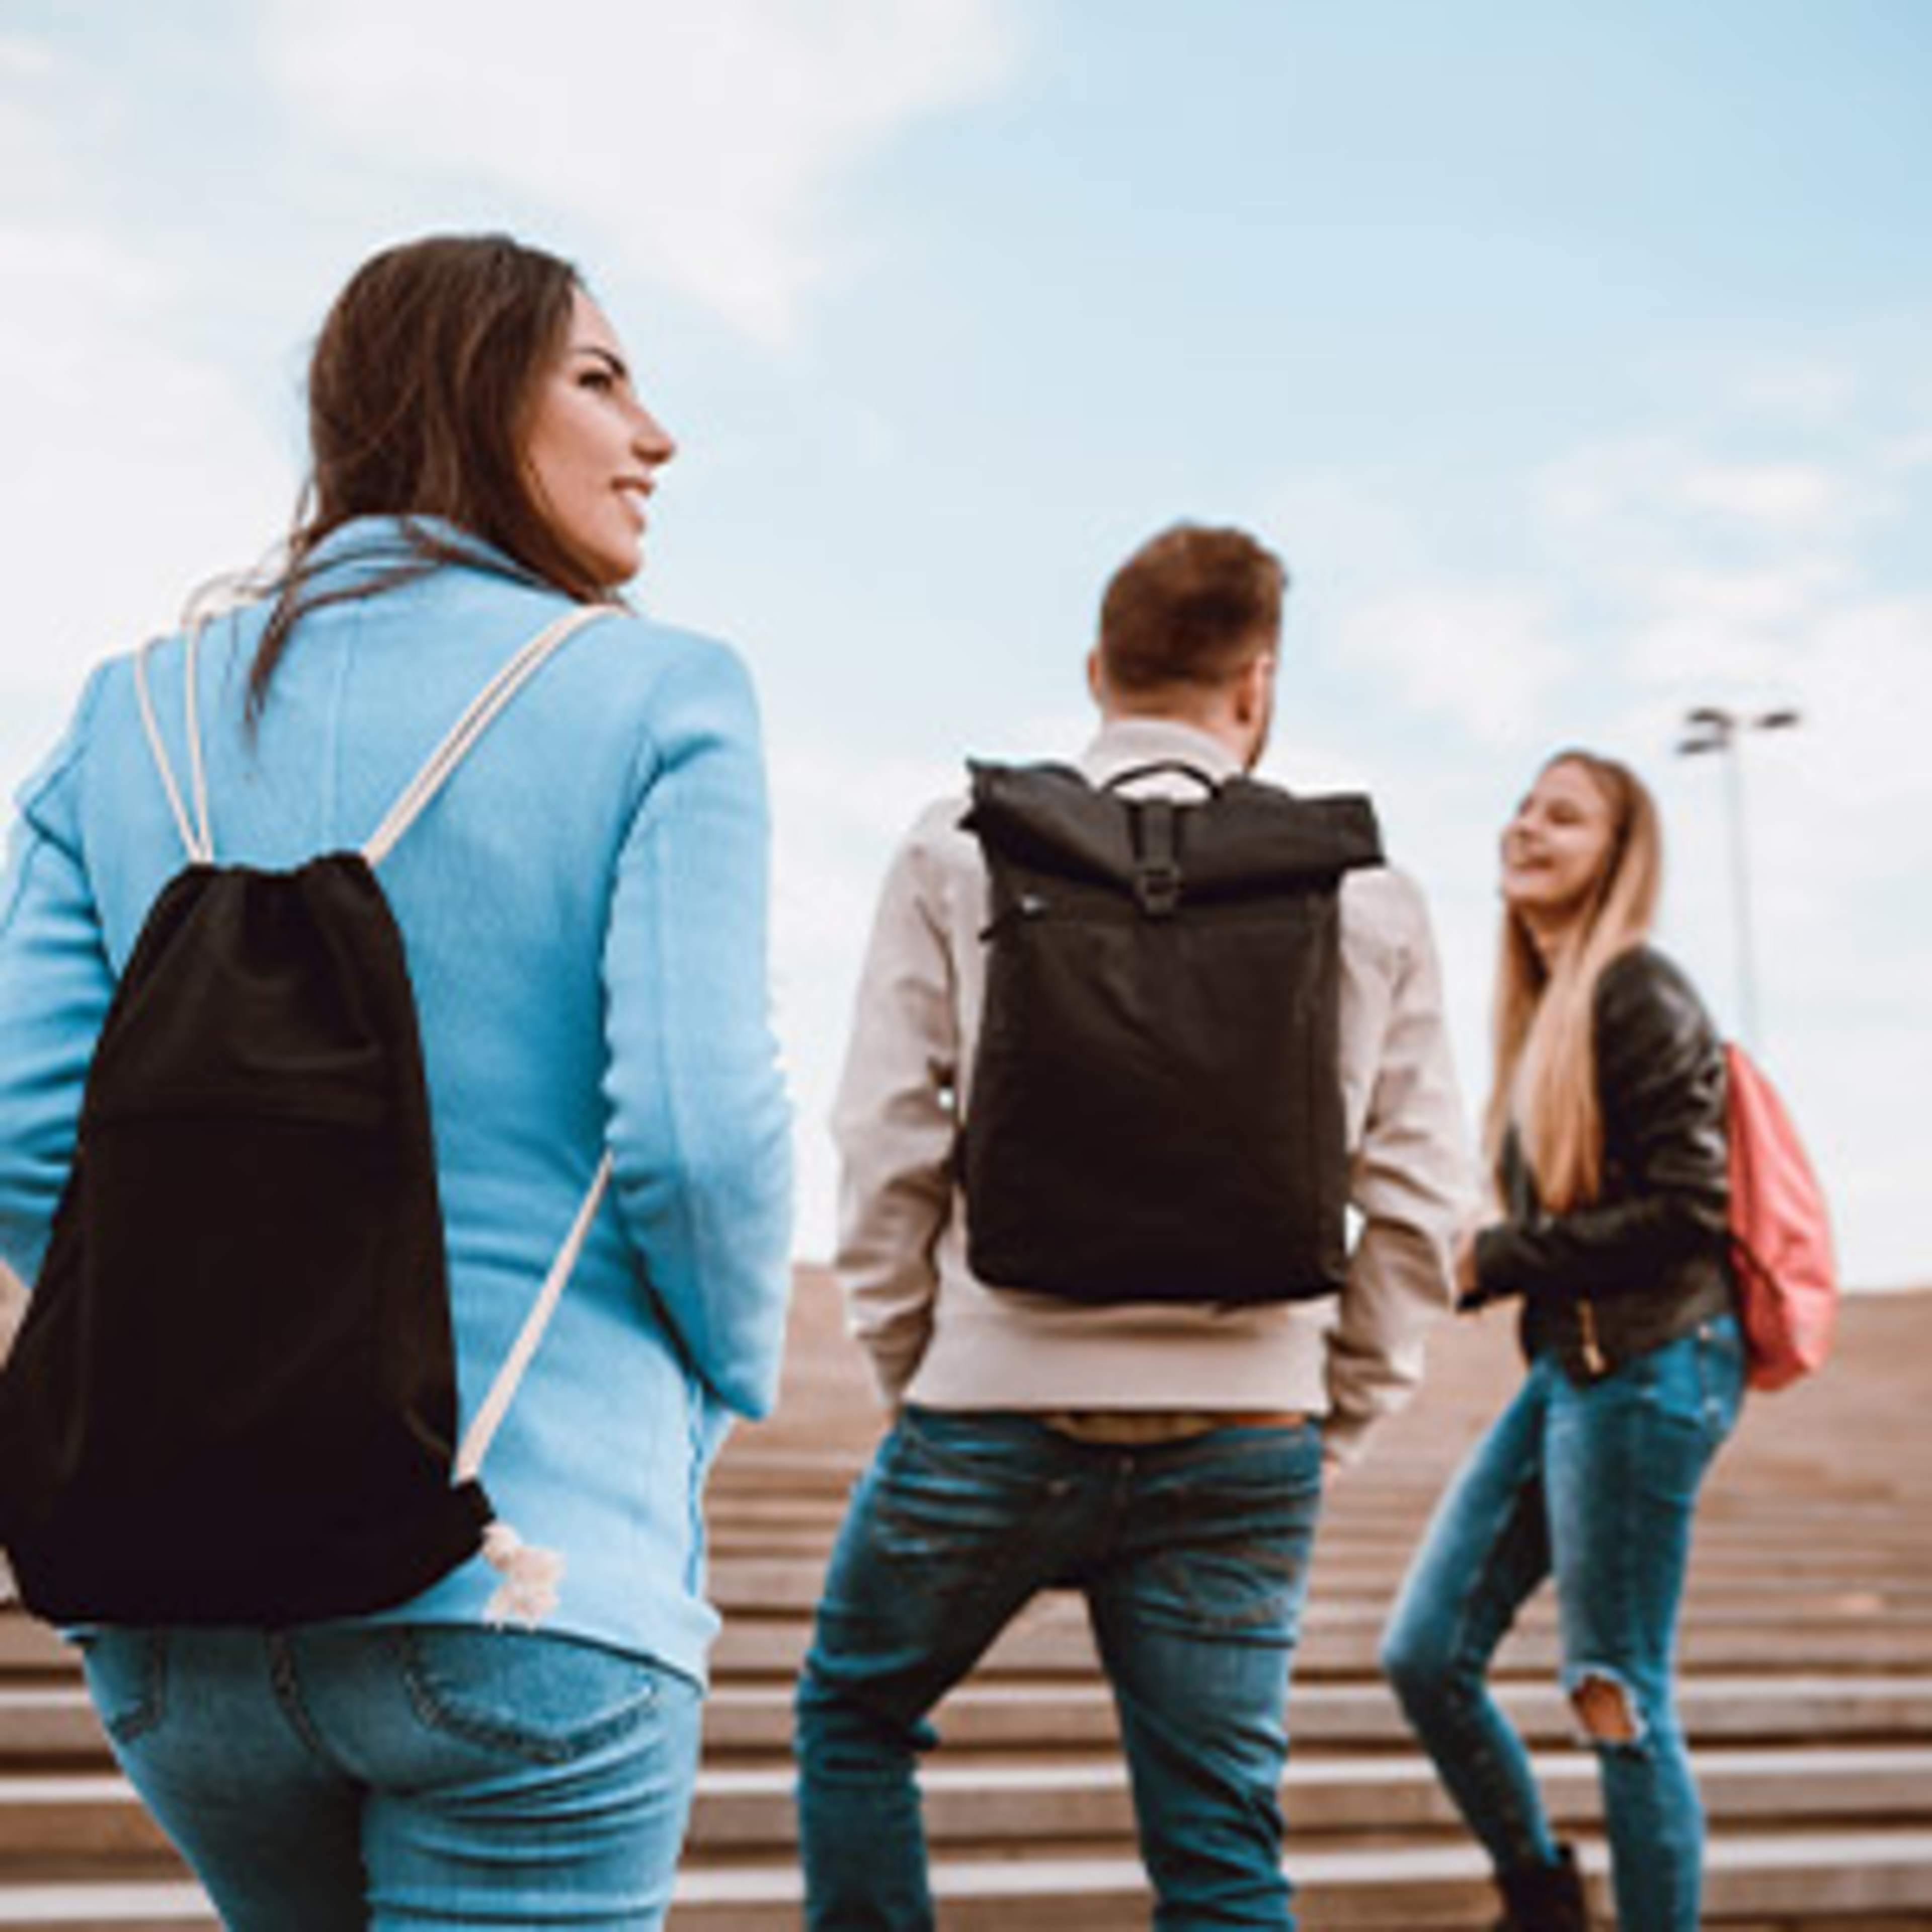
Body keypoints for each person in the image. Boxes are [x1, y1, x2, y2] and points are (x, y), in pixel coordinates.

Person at [0, 233, 792, 1928]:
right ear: (467, 390)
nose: (657, 435)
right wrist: (718, 1389)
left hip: (174, 1615)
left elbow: (23, 1128)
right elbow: (703, 1141)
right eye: (601, 377)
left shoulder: (129, 713)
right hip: (528, 1564)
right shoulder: (661, 692)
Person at [794, 523, 1470, 1930]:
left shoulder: (958, 848)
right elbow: (1416, 1203)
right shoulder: (1368, 892)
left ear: (1099, 668)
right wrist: (1324, 1413)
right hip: (1245, 1433)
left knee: (856, 1722)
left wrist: (918, 1361)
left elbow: (887, 1140)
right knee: (1222, 1856)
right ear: (1257, 685)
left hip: (990, 1402)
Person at [1379, 750, 1745, 1932]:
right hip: (1576, 1370)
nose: (1527, 828)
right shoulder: (1551, 1008)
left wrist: (1498, 1259)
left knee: (1615, 1690)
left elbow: (1697, 1209)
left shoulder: (1639, 990)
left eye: (1565, 817)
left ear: (1618, 855)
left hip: (1652, 1367)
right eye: (1526, 808)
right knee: (1425, 1652)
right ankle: (1542, 1897)